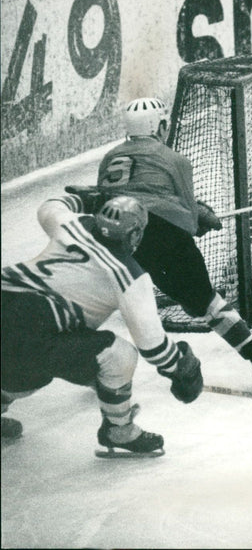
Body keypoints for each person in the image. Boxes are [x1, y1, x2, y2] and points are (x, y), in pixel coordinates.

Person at [68, 97, 252, 383]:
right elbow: (188, 216)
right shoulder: (175, 159)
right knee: (206, 301)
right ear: (161, 126)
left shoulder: (110, 156)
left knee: (104, 298)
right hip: (160, 230)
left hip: (116, 235)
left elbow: (110, 200)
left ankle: (86, 363)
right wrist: (203, 219)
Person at [1, 194, 204, 456]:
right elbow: (153, 347)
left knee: (29, 358)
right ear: (133, 236)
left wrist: (87, 198)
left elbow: (50, 206)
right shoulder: (128, 275)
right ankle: (119, 430)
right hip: (29, 334)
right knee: (119, 356)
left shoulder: (70, 225)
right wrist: (184, 367)